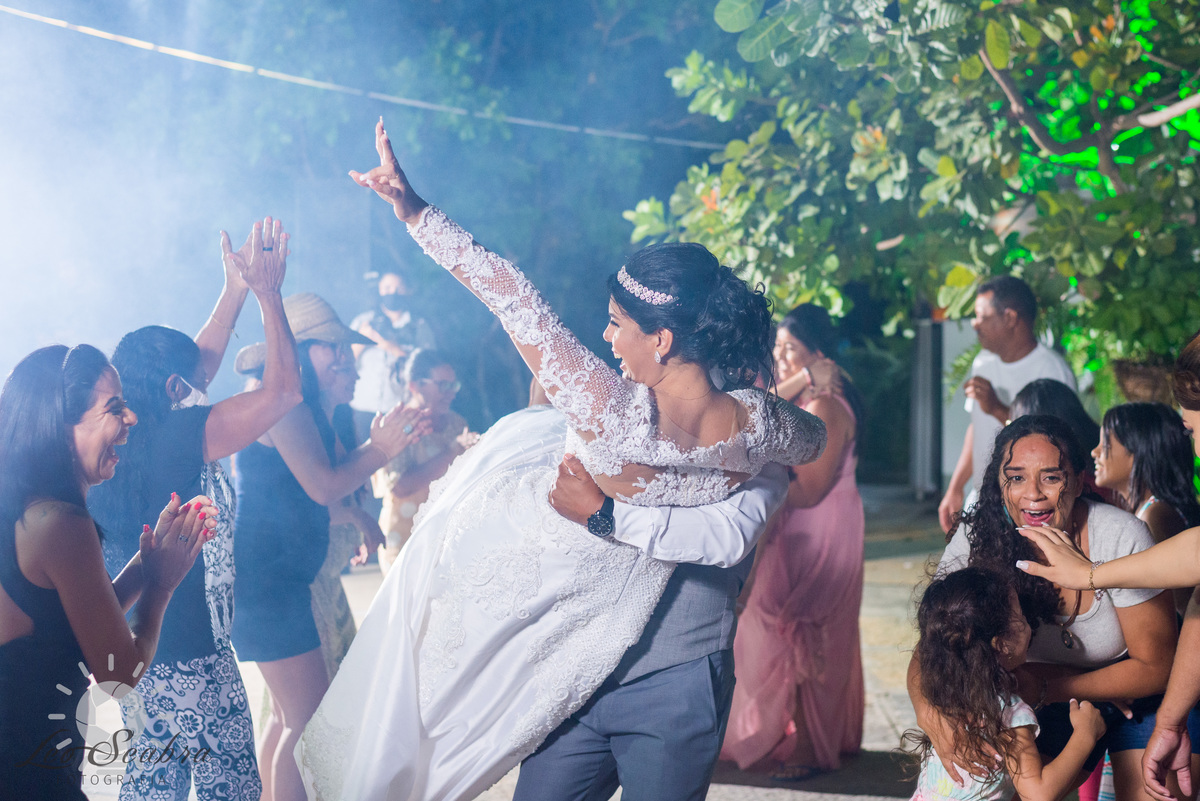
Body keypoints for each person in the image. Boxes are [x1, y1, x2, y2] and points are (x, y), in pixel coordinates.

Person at [296, 119, 826, 801]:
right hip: (542, 596)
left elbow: (513, 295)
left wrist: (413, 209)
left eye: (615, 323)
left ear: (661, 339)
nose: (605, 337)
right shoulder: (758, 421)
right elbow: (807, 440)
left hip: (647, 642)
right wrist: (763, 453)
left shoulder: (607, 403)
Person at [87, 217, 299, 801]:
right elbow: (283, 393)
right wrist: (268, 294)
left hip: (129, 660)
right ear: (178, 389)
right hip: (193, 658)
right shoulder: (185, 434)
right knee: (227, 793)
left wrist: (233, 289)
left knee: (149, 794)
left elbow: (192, 366)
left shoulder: (118, 438)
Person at [913, 414, 1180, 801]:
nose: (1033, 494)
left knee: (1155, 794)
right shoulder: (977, 540)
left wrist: (1042, 684)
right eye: (1016, 477)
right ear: (999, 483)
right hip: (1035, 699)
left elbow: (1158, 666)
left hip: (1137, 697)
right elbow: (935, 643)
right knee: (1000, 785)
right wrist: (928, 710)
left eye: (1051, 477)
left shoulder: (1120, 535)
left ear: (1076, 479)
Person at [230, 292, 427, 801]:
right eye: (331, 348)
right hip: (267, 582)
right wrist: (383, 448)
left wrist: (382, 444)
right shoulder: (280, 403)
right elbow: (324, 485)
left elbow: (328, 485)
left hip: (279, 580)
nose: (344, 357)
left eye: (344, 349)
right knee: (307, 723)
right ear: (295, 349)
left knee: (291, 719)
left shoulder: (306, 407)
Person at [0, 344, 214, 800]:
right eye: (114, 408)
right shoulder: (60, 523)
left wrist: (144, 564)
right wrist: (160, 587)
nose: (130, 419)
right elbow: (117, 674)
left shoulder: (21, 509)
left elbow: (65, 628)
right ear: (60, 427)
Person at [1019, 330, 1200, 801]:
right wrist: (1170, 719)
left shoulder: (1146, 518)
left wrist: (1091, 575)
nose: (1195, 446)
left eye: (1197, 430)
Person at [720, 303, 866, 778]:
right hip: (792, 529)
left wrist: (759, 474)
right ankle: (789, 733)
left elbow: (810, 489)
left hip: (816, 530)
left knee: (805, 632)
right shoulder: (804, 398)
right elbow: (749, 416)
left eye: (791, 350)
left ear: (816, 352)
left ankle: (809, 745)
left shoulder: (824, 407)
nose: (779, 358)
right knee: (779, 630)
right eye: (778, 349)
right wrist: (804, 377)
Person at [904, 567, 1106, 801]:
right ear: (1001, 644)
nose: (1028, 622)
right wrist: (1085, 734)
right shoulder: (1008, 711)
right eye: (1020, 617)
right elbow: (1038, 794)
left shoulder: (940, 689)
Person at [939, 276, 1077, 533]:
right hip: (981, 498)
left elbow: (1057, 444)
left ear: (1010, 318)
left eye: (982, 316)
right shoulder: (983, 361)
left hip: (1027, 507)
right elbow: (976, 428)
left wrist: (998, 408)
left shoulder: (1051, 370)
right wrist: (956, 487)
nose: (975, 324)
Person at [372, 348, 476, 573]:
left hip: (447, 538)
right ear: (414, 385)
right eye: (443, 385)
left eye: (453, 385)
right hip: (405, 538)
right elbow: (400, 486)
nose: (451, 392)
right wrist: (451, 453)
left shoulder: (457, 423)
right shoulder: (396, 426)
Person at [348, 269, 437, 442]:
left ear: (408, 290)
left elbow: (430, 367)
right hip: (363, 405)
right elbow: (345, 362)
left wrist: (393, 348)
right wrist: (362, 339)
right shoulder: (363, 321)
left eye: (399, 287)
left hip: (398, 408)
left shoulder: (419, 326)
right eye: (387, 287)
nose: (393, 292)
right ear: (379, 289)